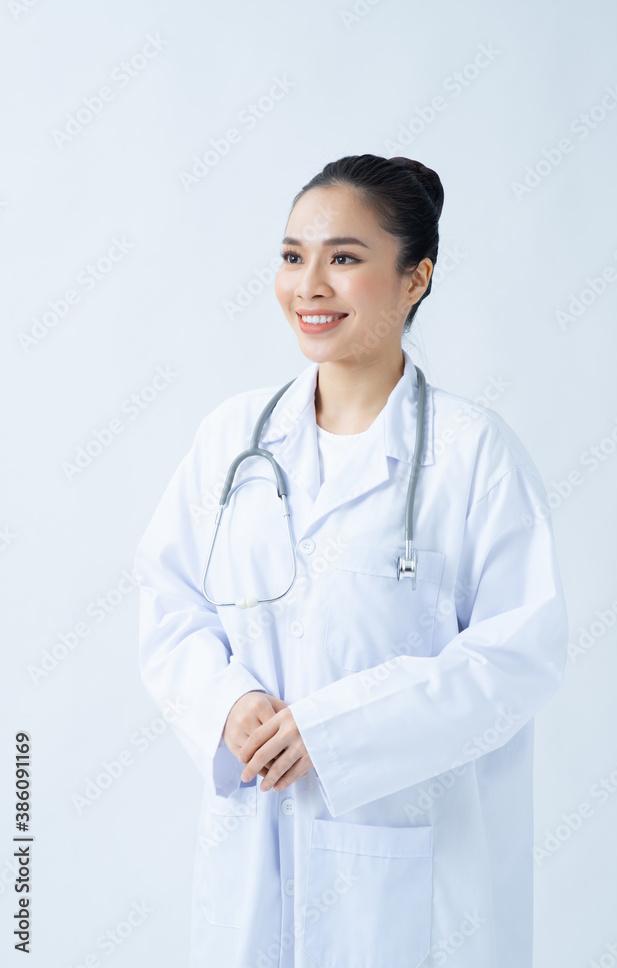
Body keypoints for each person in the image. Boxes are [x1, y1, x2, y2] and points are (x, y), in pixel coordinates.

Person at [134, 153, 569, 968]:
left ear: (415, 278)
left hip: (414, 876)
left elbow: (519, 657)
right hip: (252, 859)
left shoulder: (472, 455)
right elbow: (169, 604)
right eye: (294, 256)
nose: (308, 286)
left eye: (344, 258)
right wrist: (227, 705)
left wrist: (336, 731)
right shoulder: (234, 440)